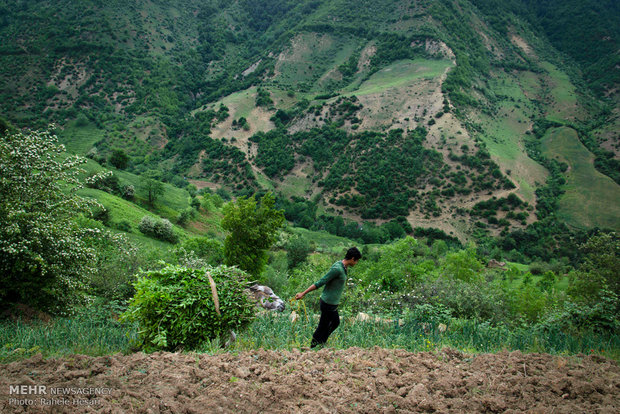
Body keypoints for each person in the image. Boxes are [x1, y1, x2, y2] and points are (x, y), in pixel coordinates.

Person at [294, 247, 362, 348]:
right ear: (352, 258)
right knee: (330, 324)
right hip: (327, 303)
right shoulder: (337, 269)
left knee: (329, 324)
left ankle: (318, 344)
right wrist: (303, 293)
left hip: (331, 303)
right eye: (356, 261)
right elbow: (321, 282)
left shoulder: (343, 267)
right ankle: (316, 345)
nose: (356, 263)